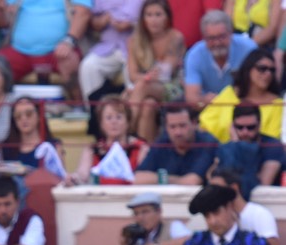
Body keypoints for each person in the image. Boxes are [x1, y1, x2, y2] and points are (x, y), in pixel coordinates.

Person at [0, 0, 91, 98]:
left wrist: (68, 41)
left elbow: (83, 13)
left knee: (71, 62)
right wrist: (1, 11)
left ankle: (77, 109)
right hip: (19, 51)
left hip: (58, 51)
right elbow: (3, 23)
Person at [124, 0, 185, 142]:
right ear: (142, 18)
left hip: (171, 87)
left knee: (142, 86)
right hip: (143, 88)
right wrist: (147, 78)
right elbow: (133, 75)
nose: (154, 20)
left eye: (158, 15)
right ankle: (143, 150)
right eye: (149, 15)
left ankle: (126, 130)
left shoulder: (175, 37)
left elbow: (165, 73)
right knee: (148, 105)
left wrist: (146, 79)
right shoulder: (134, 41)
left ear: (167, 17)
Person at [198, 48, 281, 143]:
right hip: (220, 152)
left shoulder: (278, 105)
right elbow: (204, 127)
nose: (268, 74)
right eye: (262, 68)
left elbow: (272, 140)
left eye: (272, 70)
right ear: (249, 68)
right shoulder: (229, 93)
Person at [68, 95, 148, 185]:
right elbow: (82, 175)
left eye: (119, 117)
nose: (114, 122)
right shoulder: (92, 149)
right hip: (100, 197)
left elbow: (144, 178)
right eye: (109, 118)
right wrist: (73, 179)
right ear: (101, 123)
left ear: (128, 122)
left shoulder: (140, 148)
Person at [183, 10, 256, 109]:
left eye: (221, 37)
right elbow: (192, 99)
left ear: (231, 33)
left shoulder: (248, 48)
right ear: (203, 38)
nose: (217, 43)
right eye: (211, 38)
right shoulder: (194, 55)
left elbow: (259, 89)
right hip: (208, 109)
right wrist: (203, 102)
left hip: (243, 106)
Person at [109, 191, 191, 245]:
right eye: (136, 213)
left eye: (145, 212)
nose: (140, 217)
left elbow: (190, 242)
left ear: (159, 212)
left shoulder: (172, 226)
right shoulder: (134, 238)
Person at [212, 103, 284, 197]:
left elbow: (263, 183)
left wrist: (238, 147)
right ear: (233, 126)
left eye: (250, 127)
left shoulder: (272, 145)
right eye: (240, 127)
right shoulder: (228, 147)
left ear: (259, 125)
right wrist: (236, 145)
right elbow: (212, 178)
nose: (245, 132)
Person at [134, 105, 218, 184]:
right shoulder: (162, 143)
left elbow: (192, 182)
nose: (178, 132)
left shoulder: (207, 143)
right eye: (172, 127)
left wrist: (158, 179)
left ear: (194, 124)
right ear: (166, 128)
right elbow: (138, 178)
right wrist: (174, 179)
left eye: (182, 126)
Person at [78, 0, 142, 103]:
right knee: (89, 66)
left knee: (132, 73)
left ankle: (133, 114)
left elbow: (154, 18)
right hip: (108, 47)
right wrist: (103, 20)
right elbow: (93, 22)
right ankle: (95, 113)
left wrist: (131, 24)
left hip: (136, 49)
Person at [209, 166, 280, 245]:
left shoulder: (259, 214)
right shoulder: (215, 216)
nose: (213, 194)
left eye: (217, 189)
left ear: (234, 188)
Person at [1, 96, 64, 175]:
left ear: (39, 116)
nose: (23, 119)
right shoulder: (6, 148)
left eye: (29, 114)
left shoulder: (53, 146)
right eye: (18, 116)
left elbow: (59, 177)